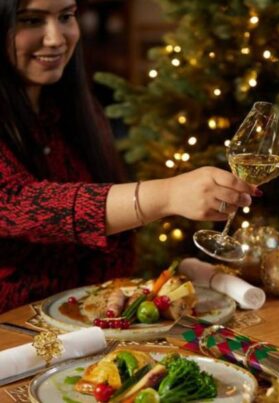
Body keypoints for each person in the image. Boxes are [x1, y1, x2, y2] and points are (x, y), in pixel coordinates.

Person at [0, 0, 259, 313]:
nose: (56, 38)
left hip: (95, 327)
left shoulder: (76, 110)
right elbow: (18, 203)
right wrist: (168, 194)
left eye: (66, 16)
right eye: (30, 20)